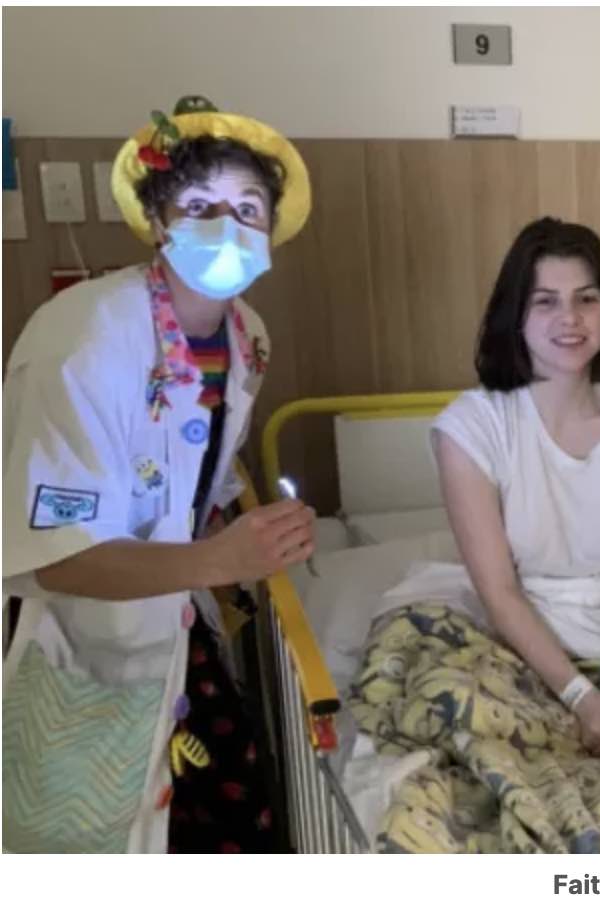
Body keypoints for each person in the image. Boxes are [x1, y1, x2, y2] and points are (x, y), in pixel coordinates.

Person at [2, 96, 317, 852]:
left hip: (175, 618)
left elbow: (195, 460)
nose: (228, 226)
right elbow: (53, 555)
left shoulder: (248, 336)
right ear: (156, 221)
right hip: (78, 633)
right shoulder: (83, 335)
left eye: (248, 209)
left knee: (229, 821)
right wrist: (220, 560)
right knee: (79, 839)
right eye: (200, 206)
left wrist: (238, 528)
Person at [429, 217, 600, 760]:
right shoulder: (471, 427)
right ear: (515, 316)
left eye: (586, 298)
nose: (570, 318)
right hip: (513, 626)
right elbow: (498, 590)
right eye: (545, 302)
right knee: (441, 696)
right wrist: (580, 696)